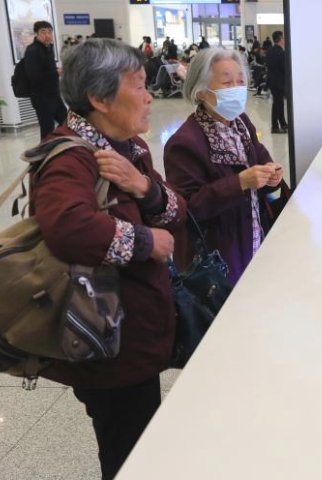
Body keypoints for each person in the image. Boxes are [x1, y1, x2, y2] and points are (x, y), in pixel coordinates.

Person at [29, 38, 186, 480]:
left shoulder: (127, 148)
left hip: (137, 334)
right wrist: (144, 242)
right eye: (138, 85)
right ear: (99, 98)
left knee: (141, 441)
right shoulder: (72, 157)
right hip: (109, 346)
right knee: (127, 455)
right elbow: (69, 228)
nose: (150, 94)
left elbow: (177, 210)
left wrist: (146, 189)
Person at [164, 48, 285, 285]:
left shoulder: (241, 123)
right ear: (200, 91)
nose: (237, 89)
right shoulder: (185, 142)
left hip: (251, 236)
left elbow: (261, 159)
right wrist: (240, 182)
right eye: (227, 82)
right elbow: (188, 210)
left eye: (240, 81)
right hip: (218, 255)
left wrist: (272, 174)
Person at [24, 21, 67, 139]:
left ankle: (62, 147)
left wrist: (56, 70)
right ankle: (45, 154)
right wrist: (56, 72)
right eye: (43, 32)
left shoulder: (48, 48)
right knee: (47, 129)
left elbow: (47, 69)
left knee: (67, 123)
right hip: (41, 97)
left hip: (54, 95)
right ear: (36, 34)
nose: (47, 35)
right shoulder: (32, 51)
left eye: (50, 32)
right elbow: (33, 75)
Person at [264, 31, 288, 133]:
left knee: (279, 103)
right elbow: (284, 68)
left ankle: (283, 123)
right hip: (279, 82)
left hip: (272, 81)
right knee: (277, 104)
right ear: (281, 39)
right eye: (283, 38)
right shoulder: (281, 53)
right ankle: (275, 126)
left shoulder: (269, 51)